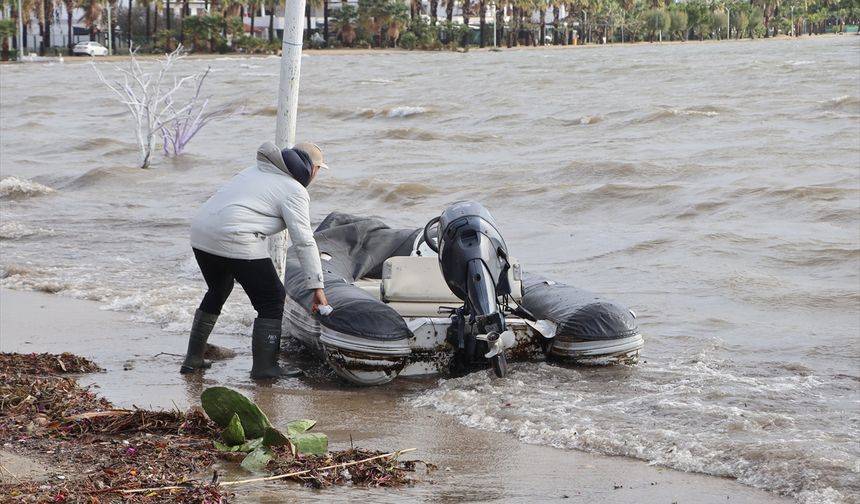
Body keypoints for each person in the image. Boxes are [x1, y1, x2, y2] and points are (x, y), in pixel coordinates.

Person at [180, 141, 330, 379]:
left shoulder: (253, 171)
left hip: (201, 232)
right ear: (312, 169)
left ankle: (193, 358)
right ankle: (265, 368)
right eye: (319, 169)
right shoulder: (295, 190)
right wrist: (317, 287)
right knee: (271, 299)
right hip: (234, 236)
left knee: (218, 288)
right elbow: (304, 241)